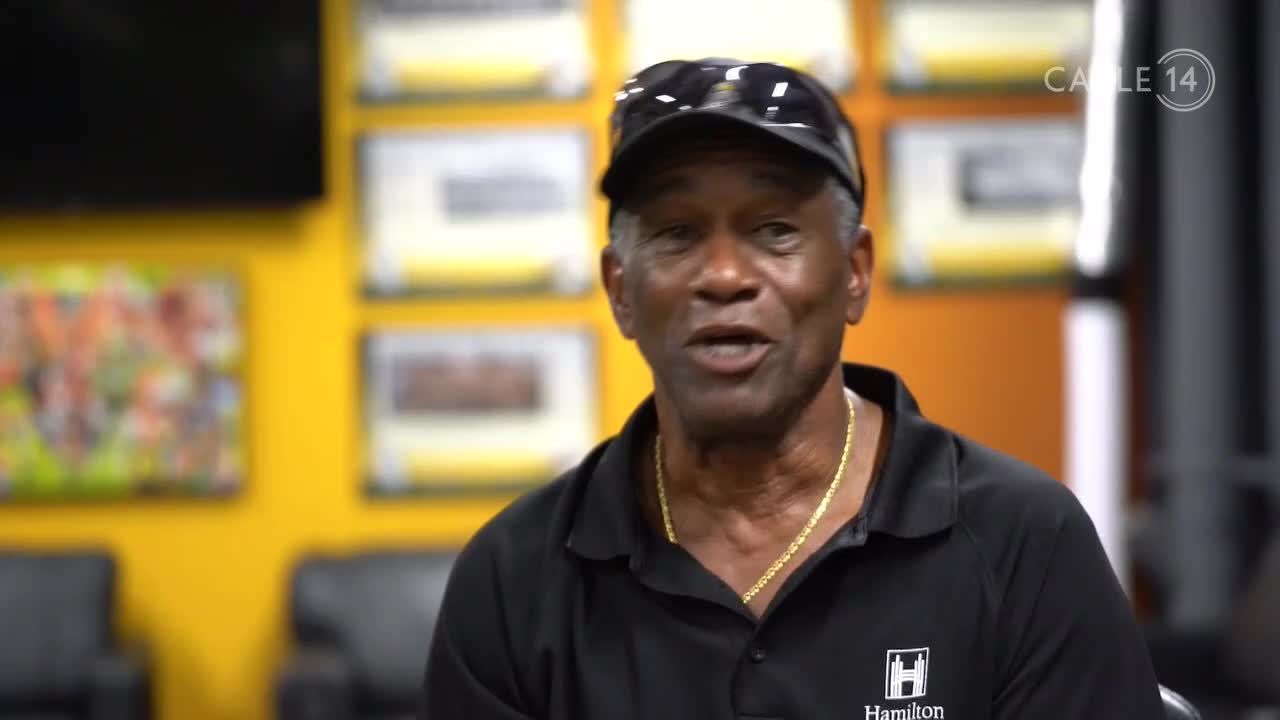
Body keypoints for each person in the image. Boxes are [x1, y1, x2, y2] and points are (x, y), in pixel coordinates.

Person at [419, 58, 1165, 719]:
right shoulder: (514, 578)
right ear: (620, 290)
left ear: (854, 273)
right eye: (677, 234)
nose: (724, 276)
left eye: (774, 230)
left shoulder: (1022, 545)